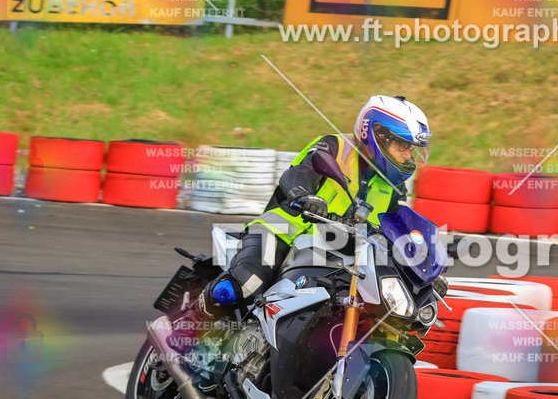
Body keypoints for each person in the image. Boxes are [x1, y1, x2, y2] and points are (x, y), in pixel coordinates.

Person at [169, 95, 432, 353]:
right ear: (377, 135)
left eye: (411, 148)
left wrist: (422, 267)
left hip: (338, 253)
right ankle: (190, 322)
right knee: (247, 282)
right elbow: (299, 173)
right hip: (283, 233)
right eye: (402, 145)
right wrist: (303, 195)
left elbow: (398, 228)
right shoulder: (335, 147)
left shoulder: (393, 186)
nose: (408, 155)